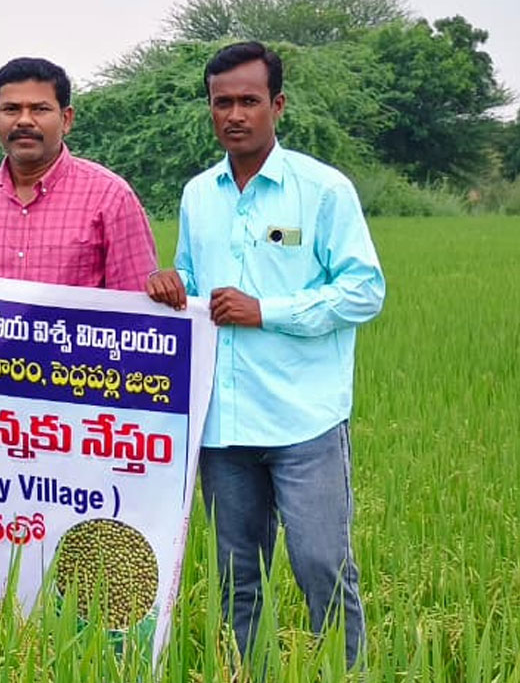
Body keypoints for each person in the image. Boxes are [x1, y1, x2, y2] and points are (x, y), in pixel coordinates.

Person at [146, 41, 385, 669]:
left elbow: (365, 290)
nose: (235, 114)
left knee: (320, 566)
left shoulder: (322, 191)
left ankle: (345, 672)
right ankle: (243, 672)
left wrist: (267, 310)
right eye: (222, 102)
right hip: (223, 424)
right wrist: (171, 285)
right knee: (237, 578)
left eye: (249, 101)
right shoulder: (199, 195)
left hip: (303, 419)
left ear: (276, 105)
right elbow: (193, 282)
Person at [0, 57, 157, 290]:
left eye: (40, 109)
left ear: (66, 119)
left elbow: (136, 310)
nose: (24, 121)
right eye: (11, 109)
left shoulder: (111, 197)